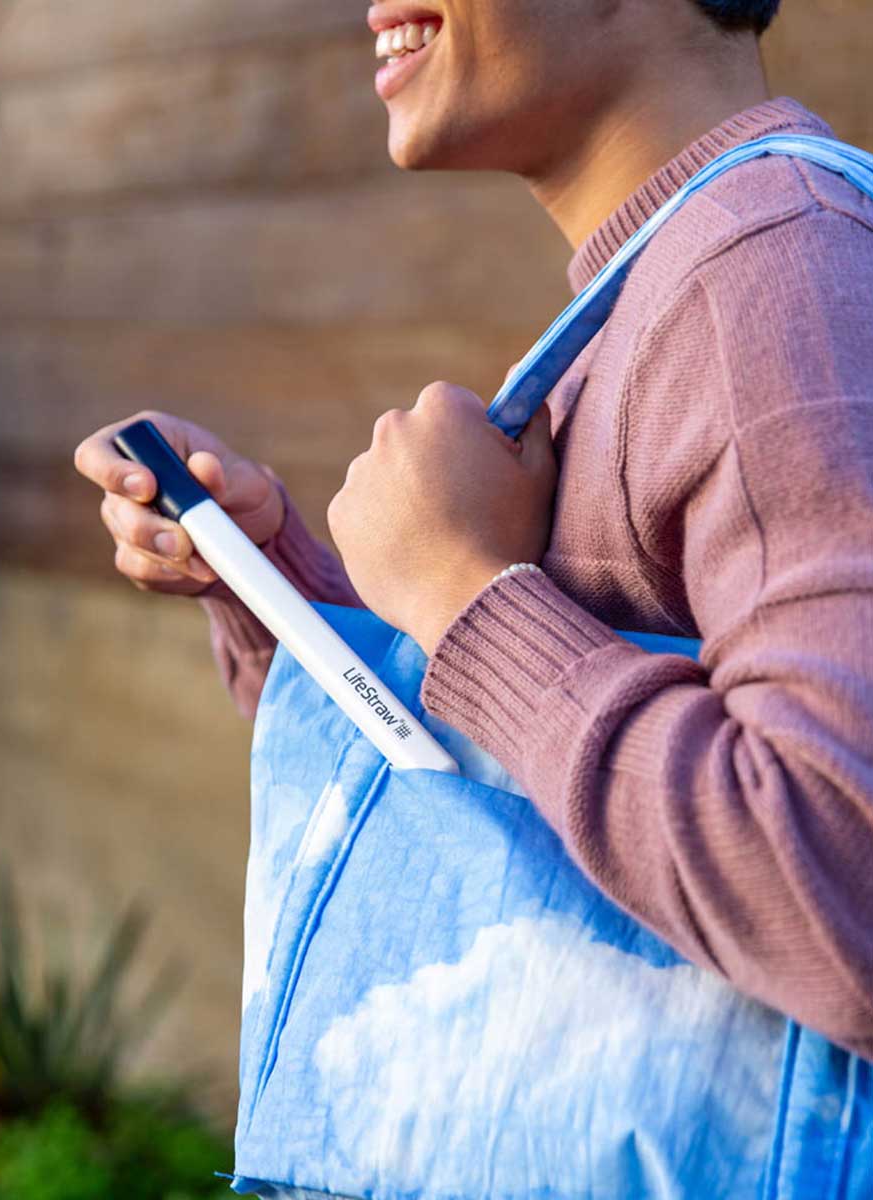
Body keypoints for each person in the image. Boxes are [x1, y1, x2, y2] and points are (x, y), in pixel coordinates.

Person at [75, 0, 873, 1059]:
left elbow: (838, 883)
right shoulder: (679, 279)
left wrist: (464, 593)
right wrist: (271, 585)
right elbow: (509, 797)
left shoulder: (770, 266)